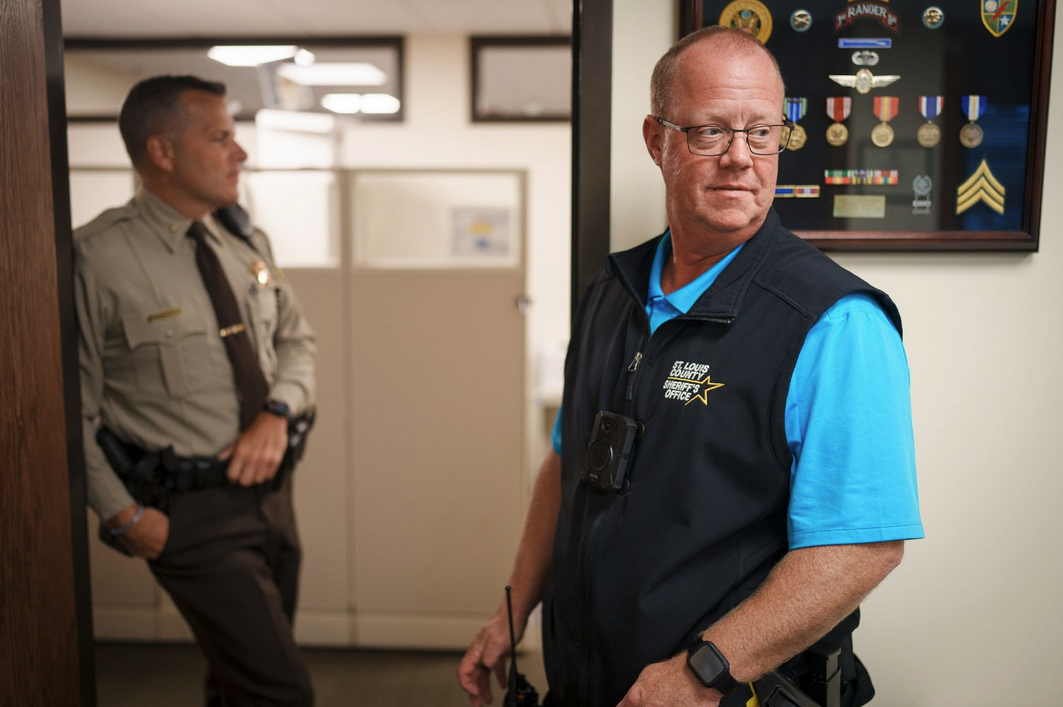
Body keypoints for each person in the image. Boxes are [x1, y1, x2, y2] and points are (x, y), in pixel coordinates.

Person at [458, 27, 923, 707]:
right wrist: (512, 610)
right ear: (656, 140)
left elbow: (861, 547)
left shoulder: (834, 322)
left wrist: (706, 669)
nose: (741, 158)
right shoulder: (607, 293)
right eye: (709, 132)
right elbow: (566, 465)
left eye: (762, 132)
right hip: (585, 684)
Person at [75, 75, 317, 706]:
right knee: (281, 692)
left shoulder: (242, 240)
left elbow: (297, 342)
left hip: (272, 498)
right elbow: (66, 414)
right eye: (220, 138)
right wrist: (122, 516)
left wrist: (277, 411)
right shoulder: (96, 259)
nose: (240, 153)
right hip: (190, 512)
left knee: (238, 682)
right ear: (162, 152)